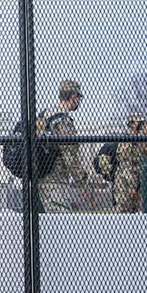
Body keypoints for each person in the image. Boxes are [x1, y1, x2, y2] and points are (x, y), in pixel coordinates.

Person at [37, 80, 89, 213]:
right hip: (56, 179)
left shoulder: (44, 115)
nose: (78, 101)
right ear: (73, 97)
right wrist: (82, 181)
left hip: (40, 175)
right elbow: (70, 156)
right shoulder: (63, 120)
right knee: (62, 221)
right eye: (78, 97)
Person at [113, 113, 144, 213]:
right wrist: (132, 186)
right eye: (137, 123)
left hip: (138, 182)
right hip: (126, 183)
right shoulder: (128, 142)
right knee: (125, 212)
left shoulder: (142, 140)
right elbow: (127, 166)